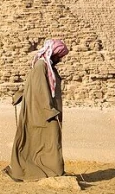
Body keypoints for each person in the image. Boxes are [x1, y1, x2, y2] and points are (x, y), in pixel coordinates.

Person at [4, 38, 69, 181]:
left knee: (48, 142)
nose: (60, 59)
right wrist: (49, 110)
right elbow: (39, 89)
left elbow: (32, 84)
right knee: (50, 141)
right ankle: (49, 172)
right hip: (42, 112)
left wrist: (21, 93)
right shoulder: (41, 65)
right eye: (60, 56)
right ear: (53, 53)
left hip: (47, 111)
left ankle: (50, 171)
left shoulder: (47, 66)